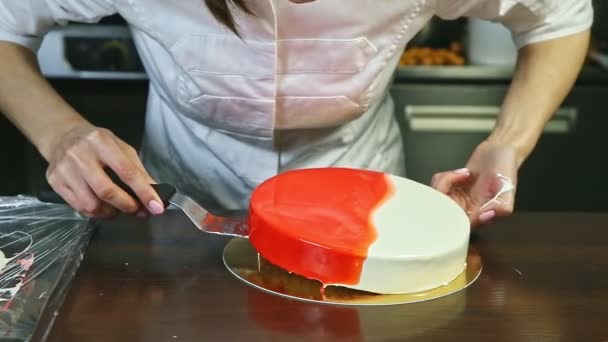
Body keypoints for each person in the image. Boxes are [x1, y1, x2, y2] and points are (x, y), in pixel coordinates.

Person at [0, 0, 593, 228]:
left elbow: (558, 16)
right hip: (183, 200)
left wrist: (508, 142)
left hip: (359, 182)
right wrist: (61, 133)